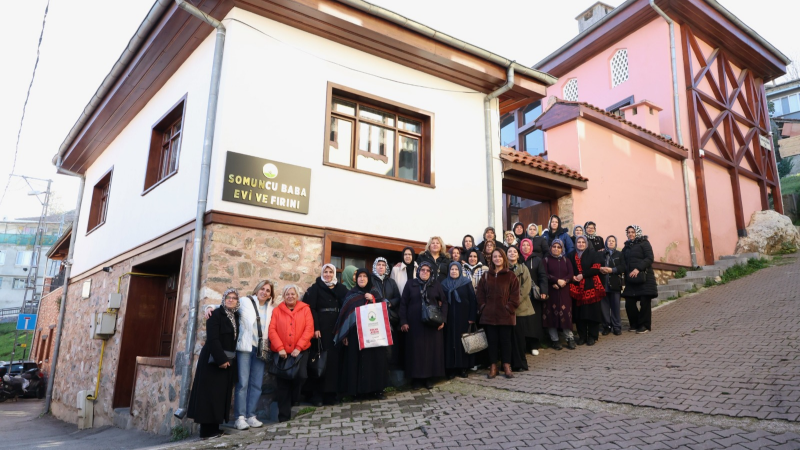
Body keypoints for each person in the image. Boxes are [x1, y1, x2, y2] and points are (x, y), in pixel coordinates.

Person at [203, 281, 277, 430]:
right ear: (256, 289)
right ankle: (240, 417)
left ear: (271, 294)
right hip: (244, 348)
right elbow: (228, 306)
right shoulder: (245, 301)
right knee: (242, 383)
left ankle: (251, 415)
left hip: (260, 349)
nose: (264, 292)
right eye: (262, 289)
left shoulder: (271, 309)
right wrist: (210, 307)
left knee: (256, 384)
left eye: (268, 290)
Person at [187, 289, 240, 439]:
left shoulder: (235, 316)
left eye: (234, 298)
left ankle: (215, 429)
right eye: (228, 297)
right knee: (209, 395)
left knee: (219, 395)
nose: (230, 300)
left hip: (227, 360)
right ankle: (206, 432)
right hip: (213, 359)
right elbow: (213, 339)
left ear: (237, 301)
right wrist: (221, 359)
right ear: (223, 299)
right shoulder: (215, 315)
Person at [333, 269, 388, 399]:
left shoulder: (375, 292)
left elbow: (384, 308)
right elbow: (345, 315)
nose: (362, 279)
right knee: (355, 361)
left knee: (375, 361)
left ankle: (376, 390)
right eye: (359, 277)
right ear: (356, 279)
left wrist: (373, 299)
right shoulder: (351, 294)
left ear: (368, 279)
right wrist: (344, 334)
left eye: (364, 276)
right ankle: (357, 392)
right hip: (355, 335)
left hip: (373, 335)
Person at [303, 264, 348, 406]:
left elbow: (346, 309)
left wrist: (344, 329)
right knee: (319, 361)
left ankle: (331, 394)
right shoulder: (315, 288)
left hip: (336, 328)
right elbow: (312, 309)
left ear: (334, 274)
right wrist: (315, 327)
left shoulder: (341, 289)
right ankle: (317, 395)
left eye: (330, 272)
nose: (328, 274)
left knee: (334, 363)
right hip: (321, 329)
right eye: (325, 272)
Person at [269, 284, 313, 422]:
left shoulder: (305, 309)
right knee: (282, 384)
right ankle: (283, 417)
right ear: (283, 296)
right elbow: (272, 330)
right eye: (287, 294)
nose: (290, 296)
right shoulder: (277, 310)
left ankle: (295, 400)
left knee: (301, 376)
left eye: (293, 294)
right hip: (281, 353)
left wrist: (299, 347)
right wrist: (280, 347)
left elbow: (309, 329)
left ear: (297, 295)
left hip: (300, 351)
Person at [399, 261, 447, 389]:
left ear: (431, 272)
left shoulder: (436, 285)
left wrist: (443, 319)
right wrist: (403, 321)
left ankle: (429, 379)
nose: (424, 272)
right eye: (422, 270)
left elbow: (444, 302)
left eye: (427, 270)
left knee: (431, 351)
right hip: (414, 324)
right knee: (415, 352)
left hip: (432, 324)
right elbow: (403, 303)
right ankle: (416, 379)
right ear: (418, 271)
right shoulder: (411, 284)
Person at [476, 249, 520, 379]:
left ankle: (506, 366)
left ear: (504, 258)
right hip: (489, 316)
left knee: (506, 341)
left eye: (500, 256)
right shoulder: (485, 275)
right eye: (495, 256)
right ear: (492, 259)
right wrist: (483, 307)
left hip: (505, 316)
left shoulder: (511, 275)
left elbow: (515, 295)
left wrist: (509, 308)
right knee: (492, 342)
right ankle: (493, 366)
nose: (497, 258)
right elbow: (480, 294)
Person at [441, 261, 477, 379]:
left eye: (456, 269)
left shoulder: (466, 283)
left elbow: (472, 300)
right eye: (452, 269)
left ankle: (463, 368)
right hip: (449, 320)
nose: (454, 271)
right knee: (450, 343)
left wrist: (472, 317)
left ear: (460, 271)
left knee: (463, 343)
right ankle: (451, 369)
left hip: (464, 318)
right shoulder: (444, 284)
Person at [567, 236, 605, 346]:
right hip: (577, 287)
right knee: (579, 313)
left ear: (586, 243)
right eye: (578, 242)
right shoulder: (571, 255)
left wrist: (583, 275)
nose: (581, 244)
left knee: (592, 312)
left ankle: (592, 336)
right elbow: (568, 268)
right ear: (575, 243)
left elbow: (596, 268)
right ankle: (582, 336)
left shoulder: (593, 254)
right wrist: (572, 277)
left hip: (591, 285)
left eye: (583, 242)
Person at [622, 225, 658, 334]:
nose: (631, 234)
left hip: (644, 278)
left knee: (644, 302)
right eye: (628, 232)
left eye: (633, 232)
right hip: (631, 280)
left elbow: (649, 258)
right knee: (629, 303)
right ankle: (635, 323)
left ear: (637, 232)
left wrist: (638, 268)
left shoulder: (644, 243)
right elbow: (623, 262)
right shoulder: (626, 247)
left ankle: (644, 325)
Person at [542, 240, 576, 350]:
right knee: (551, 314)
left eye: (559, 247)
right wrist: (556, 281)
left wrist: (563, 282)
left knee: (566, 314)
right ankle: (555, 340)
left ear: (562, 249)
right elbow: (545, 275)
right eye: (554, 246)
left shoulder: (566, 260)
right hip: (552, 291)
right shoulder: (546, 260)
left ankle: (569, 338)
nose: (556, 249)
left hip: (564, 291)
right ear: (550, 247)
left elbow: (570, 274)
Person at [371, 257, 402, 371]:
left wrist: (389, 303)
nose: (381, 267)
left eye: (383, 265)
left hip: (389, 318)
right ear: (375, 266)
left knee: (390, 347)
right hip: (375, 319)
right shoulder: (370, 280)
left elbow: (398, 298)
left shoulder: (391, 282)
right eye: (378, 264)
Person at [506, 246, 534, 371]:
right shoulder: (502, 269)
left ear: (518, 255)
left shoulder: (524, 268)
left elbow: (526, 288)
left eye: (514, 252)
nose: (512, 253)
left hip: (520, 308)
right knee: (508, 338)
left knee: (519, 337)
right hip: (505, 309)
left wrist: (513, 302)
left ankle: (520, 364)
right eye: (509, 251)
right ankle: (508, 363)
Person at [519, 238, 549, 352]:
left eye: (528, 245)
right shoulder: (518, 260)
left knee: (534, 320)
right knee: (523, 320)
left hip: (533, 295)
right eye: (523, 245)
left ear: (531, 247)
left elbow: (543, 276)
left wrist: (544, 291)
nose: (525, 247)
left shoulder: (537, 260)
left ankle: (534, 345)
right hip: (521, 295)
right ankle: (524, 345)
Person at [600, 236, 625, 336]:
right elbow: (596, 265)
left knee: (615, 306)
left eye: (613, 241)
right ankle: (607, 326)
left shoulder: (619, 254)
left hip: (615, 283)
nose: (611, 242)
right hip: (603, 284)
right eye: (609, 241)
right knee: (604, 307)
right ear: (606, 242)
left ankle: (617, 327)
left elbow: (623, 267)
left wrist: (612, 270)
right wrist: (600, 268)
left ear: (616, 243)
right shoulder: (601, 254)